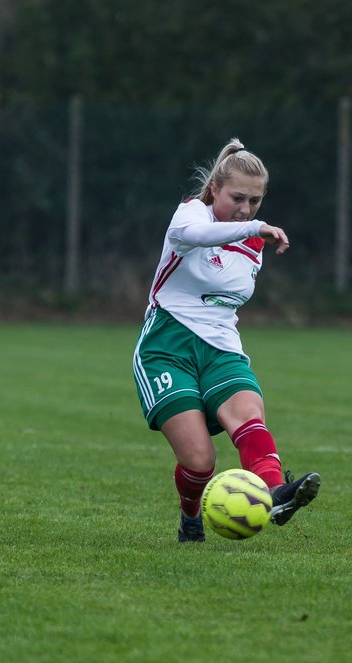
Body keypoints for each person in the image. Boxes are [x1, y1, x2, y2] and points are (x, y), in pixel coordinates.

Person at [132, 139, 321, 542]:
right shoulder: (191, 214)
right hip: (167, 346)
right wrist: (255, 225)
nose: (246, 208)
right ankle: (190, 517)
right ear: (215, 188)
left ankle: (276, 492)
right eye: (237, 197)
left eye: (255, 201)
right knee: (200, 463)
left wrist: (254, 230)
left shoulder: (256, 244)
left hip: (221, 348)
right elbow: (200, 235)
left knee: (250, 414)